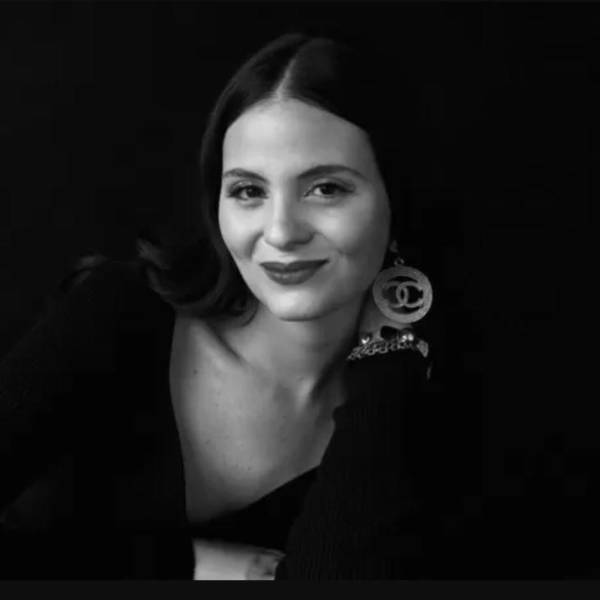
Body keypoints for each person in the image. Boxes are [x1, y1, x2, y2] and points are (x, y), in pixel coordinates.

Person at [0, 32, 452, 580]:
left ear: (397, 198)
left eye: (326, 189)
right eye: (248, 191)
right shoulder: (119, 315)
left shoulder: (422, 393)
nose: (281, 232)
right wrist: (183, 564)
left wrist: (389, 356)